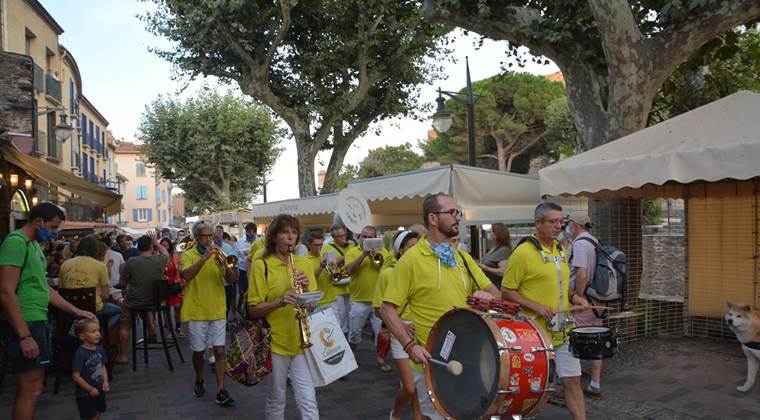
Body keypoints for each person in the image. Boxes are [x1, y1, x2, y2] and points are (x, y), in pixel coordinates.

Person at [381, 194, 501, 419]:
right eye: (452, 213)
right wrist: (409, 347)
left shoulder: (463, 258)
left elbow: (497, 295)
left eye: (458, 213)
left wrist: (487, 297)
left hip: (470, 358)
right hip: (434, 362)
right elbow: (387, 309)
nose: (458, 218)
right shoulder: (411, 260)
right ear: (433, 218)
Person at [0, 202, 97, 420]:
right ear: (38, 222)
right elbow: (5, 290)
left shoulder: (33, 246)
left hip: (36, 319)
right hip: (26, 321)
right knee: (30, 388)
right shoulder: (16, 243)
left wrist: (75, 310)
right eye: (52, 227)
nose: (54, 233)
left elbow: (45, 289)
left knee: (34, 387)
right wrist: (24, 335)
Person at [502, 202, 588, 420]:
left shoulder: (560, 249)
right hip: (534, 334)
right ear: (538, 223)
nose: (558, 226)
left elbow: (559, 284)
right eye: (553, 221)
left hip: (563, 327)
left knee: (573, 380)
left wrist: (574, 296)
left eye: (561, 221)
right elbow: (506, 291)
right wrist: (537, 306)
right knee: (534, 387)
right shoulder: (523, 253)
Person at [248, 214, 319, 420]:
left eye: (294, 233)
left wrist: (305, 287)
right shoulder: (262, 265)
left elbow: (313, 306)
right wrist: (280, 301)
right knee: (277, 397)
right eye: (285, 232)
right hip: (275, 342)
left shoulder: (303, 263)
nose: (290, 237)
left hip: (301, 340)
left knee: (308, 398)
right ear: (274, 237)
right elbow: (253, 310)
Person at [180, 221, 237, 406]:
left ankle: (221, 389)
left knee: (220, 350)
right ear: (196, 237)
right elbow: (186, 275)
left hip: (218, 309)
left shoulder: (220, 254)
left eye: (210, 236)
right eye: (204, 236)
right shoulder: (188, 255)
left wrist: (227, 267)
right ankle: (199, 378)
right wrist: (204, 258)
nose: (207, 239)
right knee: (199, 351)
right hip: (197, 310)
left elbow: (232, 279)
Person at [374, 230, 421, 420]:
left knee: (420, 387)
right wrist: (399, 323)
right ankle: (397, 413)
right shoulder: (388, 273)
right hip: (399, 333)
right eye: (411, 247)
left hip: (423, 332)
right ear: (400, 251)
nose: (416, 251)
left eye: (418, 247)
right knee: (409, 388)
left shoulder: (423, 271)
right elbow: (379, 308)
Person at [566, 213, 604, 399]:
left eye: (567, 224)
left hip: (586, 299)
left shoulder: (580, 244)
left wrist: (578, 298)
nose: (565, 227)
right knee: (596, 339)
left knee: (576, 341)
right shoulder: (594, 241)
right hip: (599, 299)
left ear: (574, 225)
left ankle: (574, 386)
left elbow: (582, 274)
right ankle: (595, 383)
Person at [344, 225, 392, 371]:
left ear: (376, 238)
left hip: (378, 300)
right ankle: (352, 354)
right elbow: (349, 270)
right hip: (359, 299)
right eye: (365, 237)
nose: (367, 239)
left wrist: (375, 255)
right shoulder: (353, 252)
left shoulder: (383, 252)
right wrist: (364, 255)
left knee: (380, 332)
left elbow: (384, 268)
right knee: (355, 332)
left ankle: (380, 359)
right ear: (360, 237)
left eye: (371, 237)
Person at [116, 234, 168, 363]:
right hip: (154, 302)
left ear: (138, 248)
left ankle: (123, 355)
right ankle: (150, 328)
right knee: (144, 306)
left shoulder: (131, 262)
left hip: (135, 301)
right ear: (151, 247)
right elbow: (166, 252)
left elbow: (122, 283)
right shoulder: (159, 260)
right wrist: (156, 242)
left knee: (124, 324)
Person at [59, 236, 123, 331]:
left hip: (71, 308)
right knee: (120, 311)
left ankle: (90, 331)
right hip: (94, 307)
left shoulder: (65, 264)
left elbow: (62, 288)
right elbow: (105, 296)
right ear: (95, 250)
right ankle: (98, 331)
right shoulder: (100, 266)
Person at [72, 318, 109, 420]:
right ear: (82, 336)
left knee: (98, 413)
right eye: (93, 332)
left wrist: (105, 382)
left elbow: (102, 366)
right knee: (91, 416)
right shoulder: (80, 354)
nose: (98, 334)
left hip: (99, 389)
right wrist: (90, 389)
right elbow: (76, 376)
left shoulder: (99, 349)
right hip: (85, 394)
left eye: (98, 330)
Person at [322, 223, 354, 335]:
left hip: (350, 284)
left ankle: (350, 336)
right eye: (339, 236)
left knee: (351, 314)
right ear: (333, 237)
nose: (343, 238)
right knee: (341, 314)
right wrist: (346, 256)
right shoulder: (327, 247)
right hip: (337, 285)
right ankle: (341, 336)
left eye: (344, 235)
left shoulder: (351, 245)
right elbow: (331, 266)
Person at [160, 237, 184, 337]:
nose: (164, 247)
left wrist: (180, 283)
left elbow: (179, 270)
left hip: (174, 284)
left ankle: (178, 327)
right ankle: (168, 329)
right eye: (162, 245)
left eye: (166, 245)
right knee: (166, 309)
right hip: (164, 285)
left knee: (177, 307)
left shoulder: (175, 256)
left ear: (169, 246)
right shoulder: (158, 257)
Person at [478, 223, 513, 287]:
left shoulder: (504, 250)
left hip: (497, 288)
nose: (489, 233)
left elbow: (503, 271)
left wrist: (486, 268)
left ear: (496, 234)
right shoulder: (494, 249)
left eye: (491, 231)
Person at [234, 222, 260, 296]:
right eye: (249, 232)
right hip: (243, 272)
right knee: (243, 293)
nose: (251, 235)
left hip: (256, 271)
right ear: (246, 232)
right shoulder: (240, 242)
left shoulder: (258, 242)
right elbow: (236, 257)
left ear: (255, 232)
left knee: (254, 292)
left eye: (253, 233)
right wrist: (236, 272)